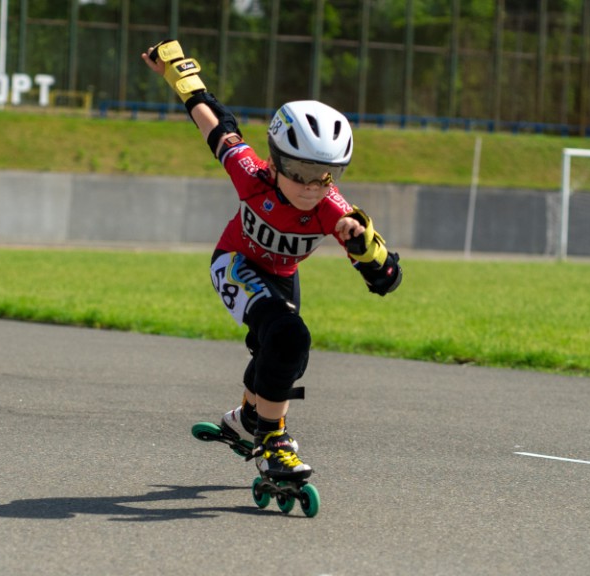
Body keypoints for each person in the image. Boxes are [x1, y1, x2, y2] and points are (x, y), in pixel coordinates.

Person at [142, 40, 402, 483]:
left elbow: (387, 281)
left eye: (326, 174)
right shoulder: (250, 173)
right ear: (276, 161)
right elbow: (216, 125)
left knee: (284, 354)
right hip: (235, 262)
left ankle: (245, 418)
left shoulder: (335, 211)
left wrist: (365, 249)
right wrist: (181, 76)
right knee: (287, 336)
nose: (311, 185)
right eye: (298, 170)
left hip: (282, 277)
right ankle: (273, 439)